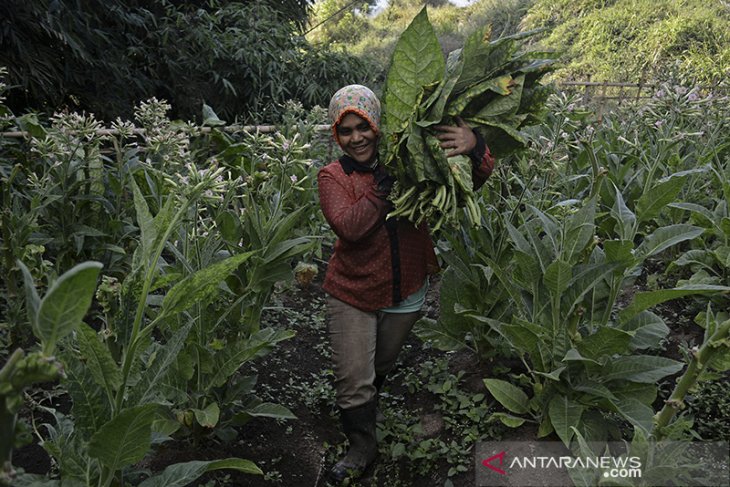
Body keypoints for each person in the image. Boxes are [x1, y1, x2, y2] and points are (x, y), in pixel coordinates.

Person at [317, 84, 494, 483]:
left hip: (406, 286)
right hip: (353, 291)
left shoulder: (413, 157)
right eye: (345, 131)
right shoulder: (333, 176)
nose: (356, 138)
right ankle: (362, 447)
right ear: (336, 135)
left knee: (378, 366)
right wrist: (388, 181)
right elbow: (351, 227)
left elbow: (471, 179)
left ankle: (366, 400)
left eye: (362, 127)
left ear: (376, 126)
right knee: (354, 377)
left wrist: (473, 145)